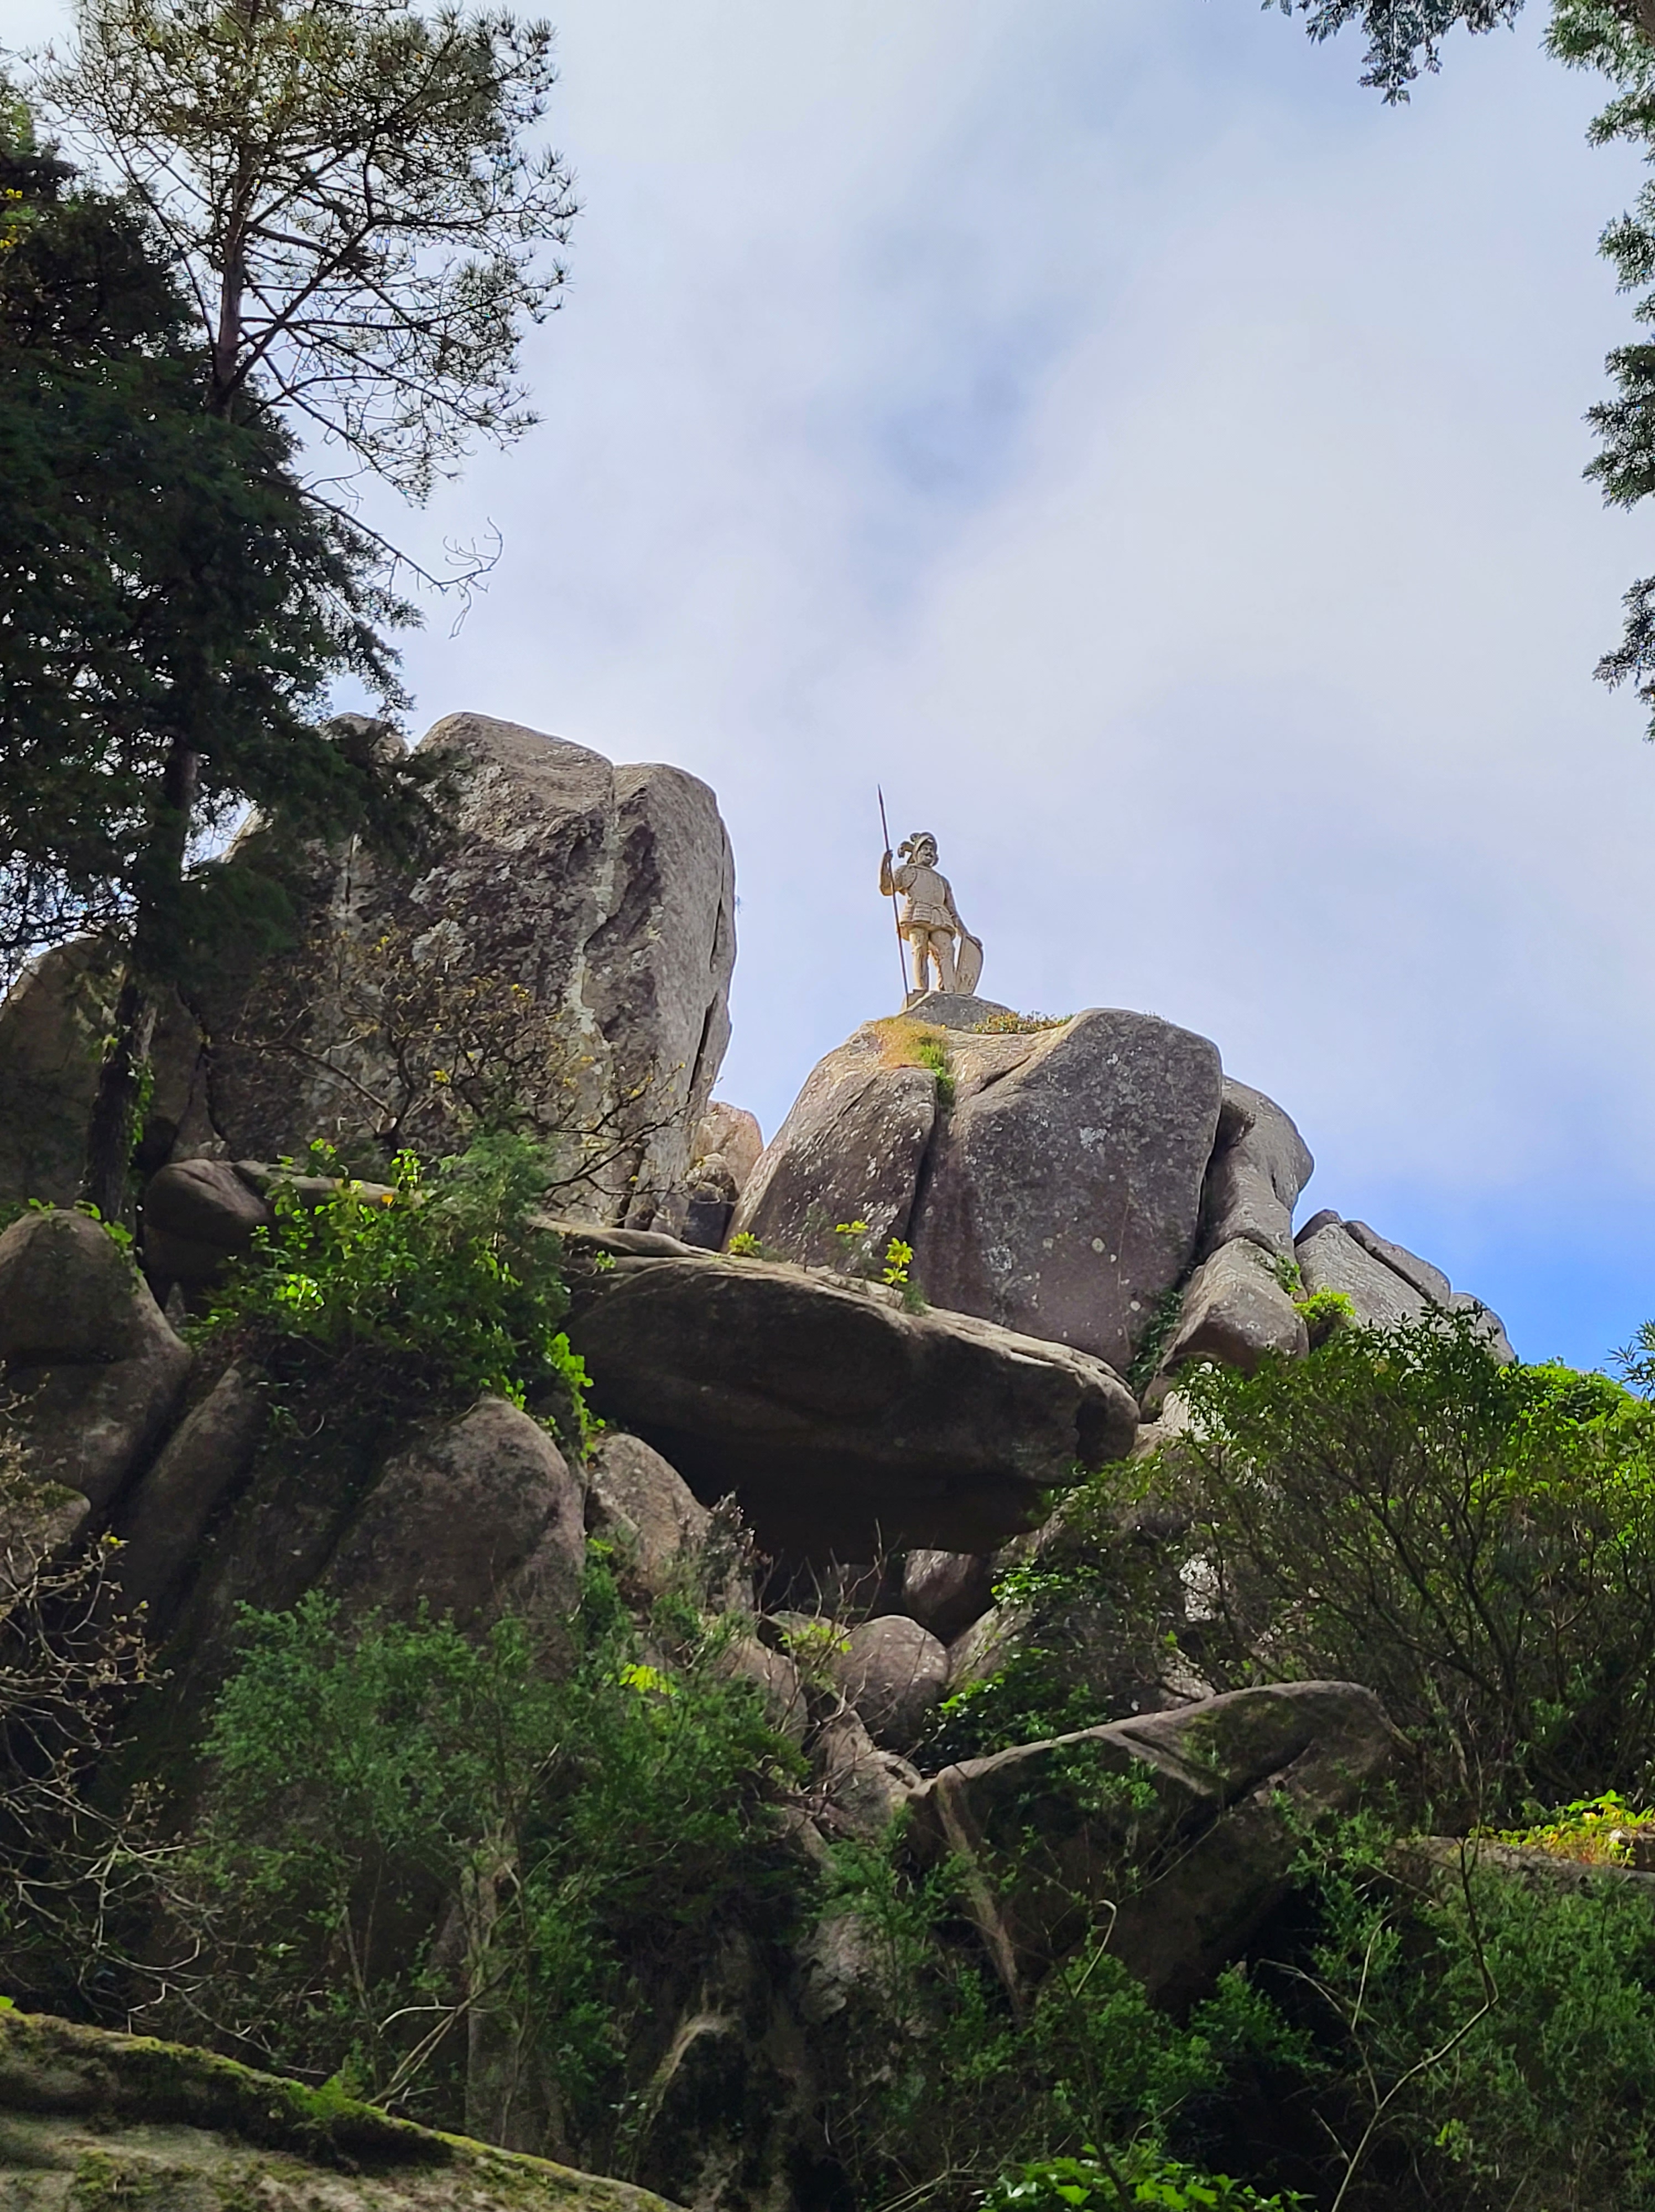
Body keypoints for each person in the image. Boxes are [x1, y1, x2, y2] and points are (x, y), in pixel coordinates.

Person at [880, 831, 976, 997]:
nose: (929, 852)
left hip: (940, 916)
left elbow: (952, 911)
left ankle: (949, 990)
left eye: (932, 850)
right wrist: (885, 866)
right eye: (925, 849)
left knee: (947, 950)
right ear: (917, 852)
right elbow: (887, 888)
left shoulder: (942, 881)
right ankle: (921, 990)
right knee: (920, 949)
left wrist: (965, 934)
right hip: (917, 913)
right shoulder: (907, 871)